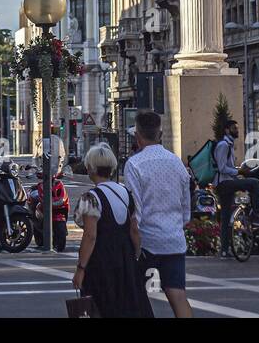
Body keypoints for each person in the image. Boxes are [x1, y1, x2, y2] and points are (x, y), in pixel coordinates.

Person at [123, 111, 192, 318]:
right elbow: (186, 209)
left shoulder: (134, 164)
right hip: (174, 241)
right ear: (160, 134)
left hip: (147, 244)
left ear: (137, 136)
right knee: (178, 296)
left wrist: (134, 247)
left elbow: (135, 212)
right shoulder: (177, 163)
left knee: (135, 295)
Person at [72, 143, 153, 318]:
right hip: (125, 259)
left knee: (100, 306)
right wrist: (136, 255)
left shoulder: (90, 198)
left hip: (101, 260)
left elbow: (90, 236)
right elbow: (134, 230)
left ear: (91, 169)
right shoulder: (125, 193)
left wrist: (81, 268)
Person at [213, 119, 259, 256]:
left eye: (237, 128)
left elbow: (229, 167)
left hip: (226, 183)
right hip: (224, 184)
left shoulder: (228, 145)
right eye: (234, 128)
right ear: (227, 130)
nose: (237, 130)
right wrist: (239, 172)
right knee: (254, 183)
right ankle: (257, 215)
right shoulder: (223, 145)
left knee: (226, 217)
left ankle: (225, 250)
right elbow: (222, 168)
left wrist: (239, 171)